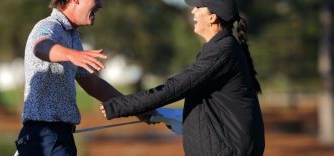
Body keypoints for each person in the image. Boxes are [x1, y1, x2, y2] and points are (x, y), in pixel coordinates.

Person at [100, 0, 265, 155]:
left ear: (212, 18)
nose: (193, 11)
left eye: (198, 7)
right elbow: (209, 105)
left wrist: (120, 106)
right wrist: (162, 113)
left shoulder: (221, 52)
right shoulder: (223, 48)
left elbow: (175, 88)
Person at [15, 0, 126, 155]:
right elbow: (40, 47)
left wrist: (137, 107)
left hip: (58, 137)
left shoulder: (72, 36)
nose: (100, 4)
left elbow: (93, 84)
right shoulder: (49, 25)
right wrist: (72, 55)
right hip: (45, 138)